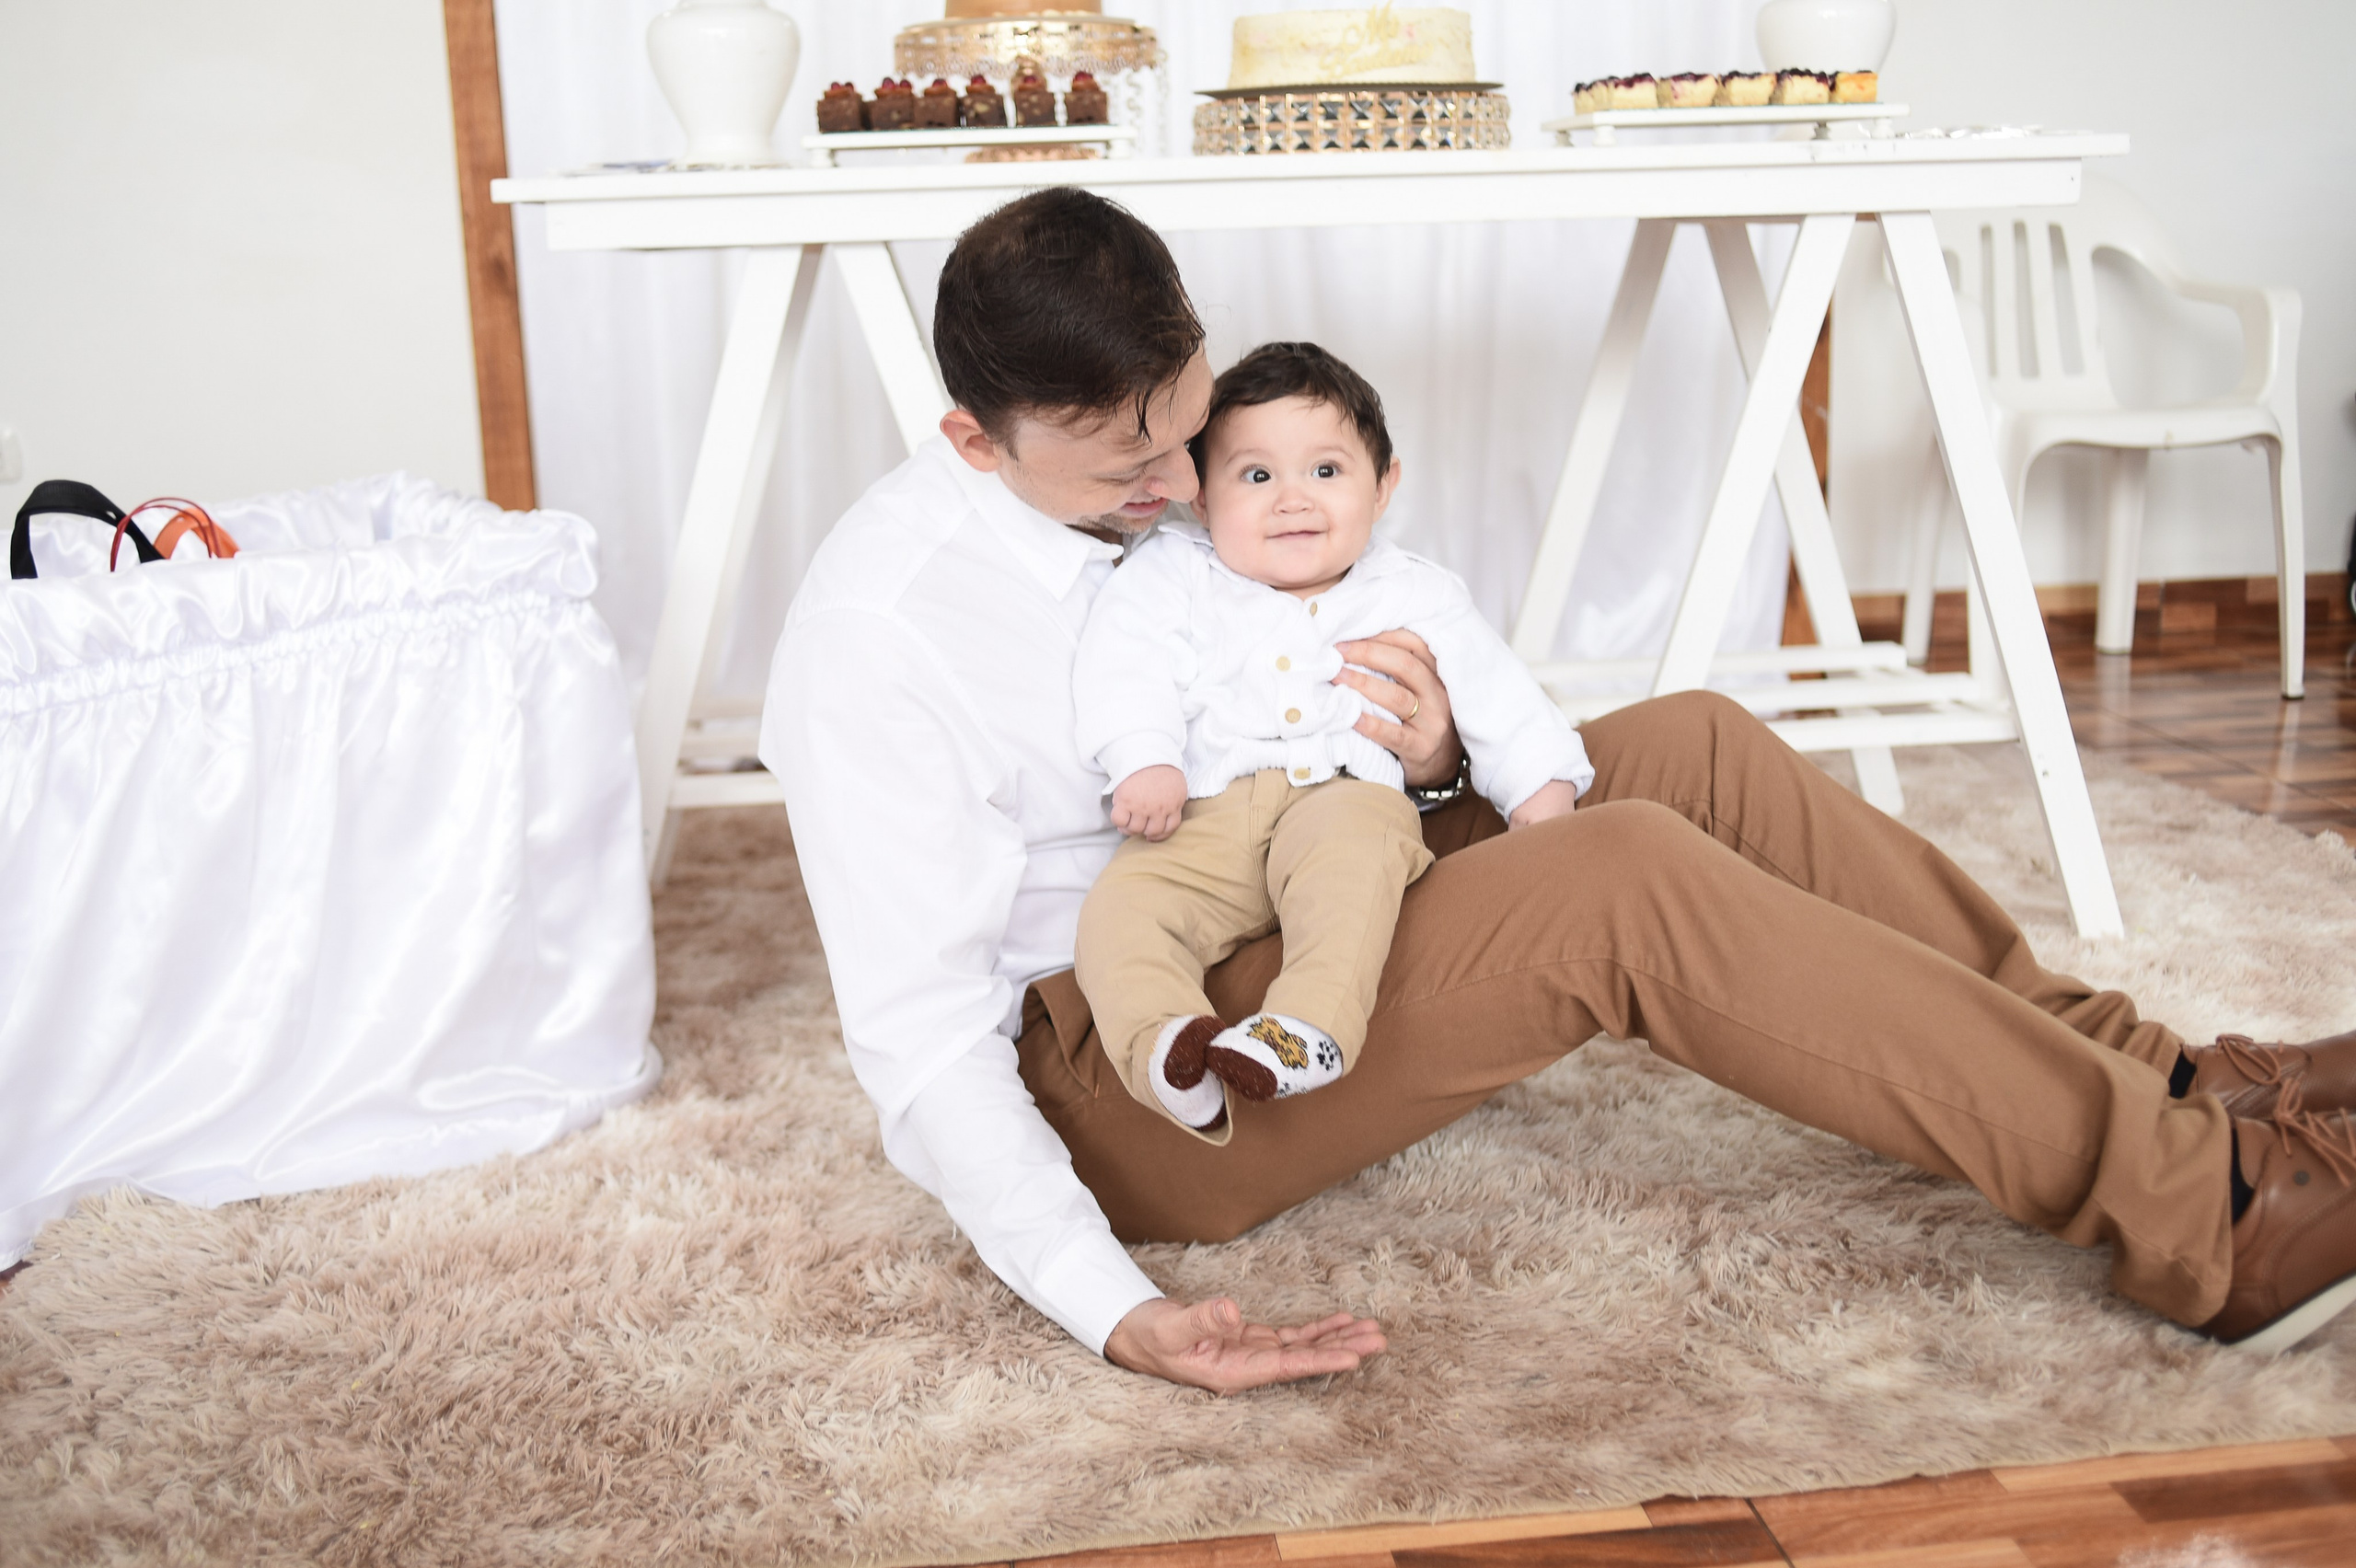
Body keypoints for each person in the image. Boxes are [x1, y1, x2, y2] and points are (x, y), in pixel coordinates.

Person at [761, 187, 2356, 1395]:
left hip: (1302, 858)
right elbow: (914, 1048)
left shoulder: (1151, 480)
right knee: (1621, 876)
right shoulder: (874, 640)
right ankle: (2208, 1221)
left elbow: (1285, 666)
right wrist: (1111, 1301)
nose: (1183, 491)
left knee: (1688, 746)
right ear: (972, 439)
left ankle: (2171, 1081)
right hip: (1135, 1068)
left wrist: (1446, 752)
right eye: (1129, 470)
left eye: (1187, 435)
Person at [1072, 340, 1589, 1129]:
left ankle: (1308, 1027)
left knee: (1352, 882)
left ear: (1384, 487)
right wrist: (1144, 759)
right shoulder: (1173, 573)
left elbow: (1497, 689)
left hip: (1345, 796)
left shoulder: (1412, 588)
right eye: (1256, 476)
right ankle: (1168, 1044)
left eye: (1326, 471)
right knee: (1120, 910)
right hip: (1203, 809)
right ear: (1201, 499)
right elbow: (1122, 662)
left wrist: (1542, 790)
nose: (1292, 500)